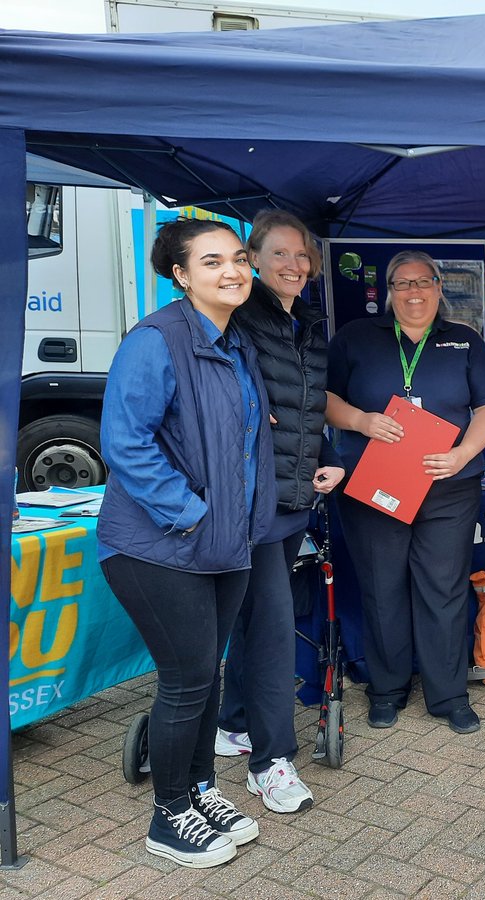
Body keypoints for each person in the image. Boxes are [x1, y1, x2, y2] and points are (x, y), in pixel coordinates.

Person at [97, 218, 275, 868]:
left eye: (237, 258)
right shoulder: (156, 340)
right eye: (211, 262)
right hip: (155, 544)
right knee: (188, 676)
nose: (231, 271)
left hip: (223, 544)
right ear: (180, 274)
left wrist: (244, 521)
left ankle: (200, 789)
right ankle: (168, 815)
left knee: (208, 674)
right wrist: (193, 513)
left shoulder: (235, 341)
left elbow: (245, 447)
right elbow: (124, 443)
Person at [325, 250, 485, 734]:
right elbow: (324, 399)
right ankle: (387, 689)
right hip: (376, 485)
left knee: (443, 590)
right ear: (389, 292)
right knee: (383, 589)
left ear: (439, 288)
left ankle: (448, 694)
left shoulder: (464, 341)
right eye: (402, 284)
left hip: (448, 488)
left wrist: (464, 454)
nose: (414, 292)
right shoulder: (356, 338)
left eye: (424, 282)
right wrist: (361, 420)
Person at [213, 210, 345, 814]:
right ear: (254, 260)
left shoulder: (307, 324)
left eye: (303, 256)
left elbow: (310, 405)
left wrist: (330, 457)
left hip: (294, 496)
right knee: (271, 624)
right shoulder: (241, 316)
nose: (294, 265)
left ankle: (234, 722)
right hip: (249, 498)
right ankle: (270, 762)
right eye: (280, 254)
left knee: (254, 617)